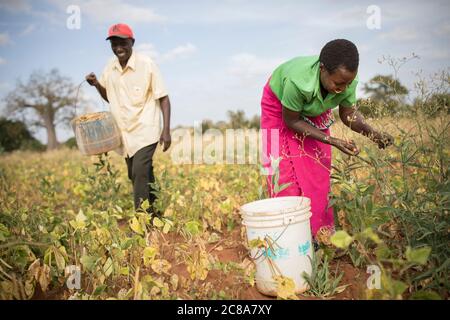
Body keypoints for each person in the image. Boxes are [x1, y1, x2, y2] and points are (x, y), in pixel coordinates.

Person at [260, 39, 393, 244]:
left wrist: (372, 133)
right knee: (279, 169)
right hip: (280, 107)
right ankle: (288, 238)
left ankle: (319, 236)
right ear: (322, 69)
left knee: (317, 168)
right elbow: (292, 120)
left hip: (312, 109)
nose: (343, 89)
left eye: (348, 83)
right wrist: (332, 139)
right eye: (338, 83)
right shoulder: (298, 82)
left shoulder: (345, 82)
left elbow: (348, 113)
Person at [85, 23, 171, 217]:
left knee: (139, 172)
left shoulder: (146, 64)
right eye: (114, 43)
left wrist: (166, 130)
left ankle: (141, 222)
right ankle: (157, 216)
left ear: (132, 42)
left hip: (145, 128)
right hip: (125, 133)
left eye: (122, 42)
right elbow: (109, 97)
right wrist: (97, 84)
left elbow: (164, 98)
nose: (118, 48)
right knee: (139, 174)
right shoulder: (110, 67)